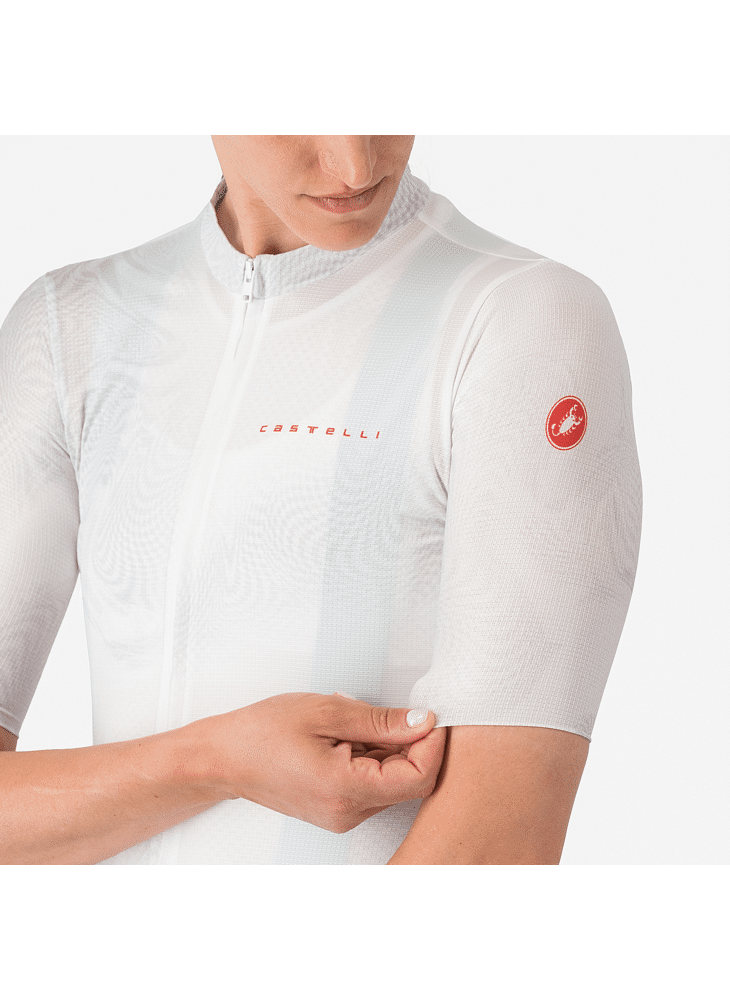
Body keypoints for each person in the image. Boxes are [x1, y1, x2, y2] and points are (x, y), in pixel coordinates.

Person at [0, 136, 642, 864]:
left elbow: (498, 845)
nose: (356, 164)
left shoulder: (522, 319)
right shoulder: (69, 327)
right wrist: (216, 762)